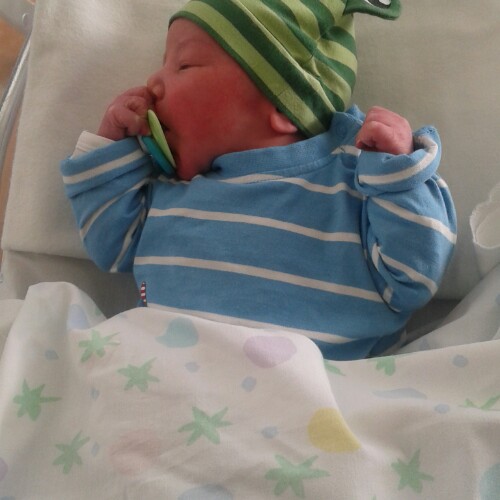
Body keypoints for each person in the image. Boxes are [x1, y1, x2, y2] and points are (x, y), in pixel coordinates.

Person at [61, 0, 456, 360]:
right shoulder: (170, 190)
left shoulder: (355, 176)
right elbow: (109, 246)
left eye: (184, 65)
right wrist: (113, 144)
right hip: (170, 381)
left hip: (320, 395)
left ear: (283, 105)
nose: (152, 83)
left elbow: (414, 278)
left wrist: (395, 174)